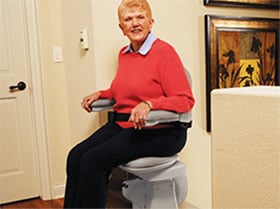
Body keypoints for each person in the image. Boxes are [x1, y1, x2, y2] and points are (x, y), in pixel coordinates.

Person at [63, 0, 195, 208]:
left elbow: (186, 100)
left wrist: (150, 105)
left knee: (93, 160)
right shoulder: (124, 54)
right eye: (128, 19)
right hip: (125, 125)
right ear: (121, 27)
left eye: (140, 17)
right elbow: (125, 90)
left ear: (151, 22)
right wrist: (103, 94)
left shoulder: (164, 53)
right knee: (76, 156)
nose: (135, 23)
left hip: (162, 131)